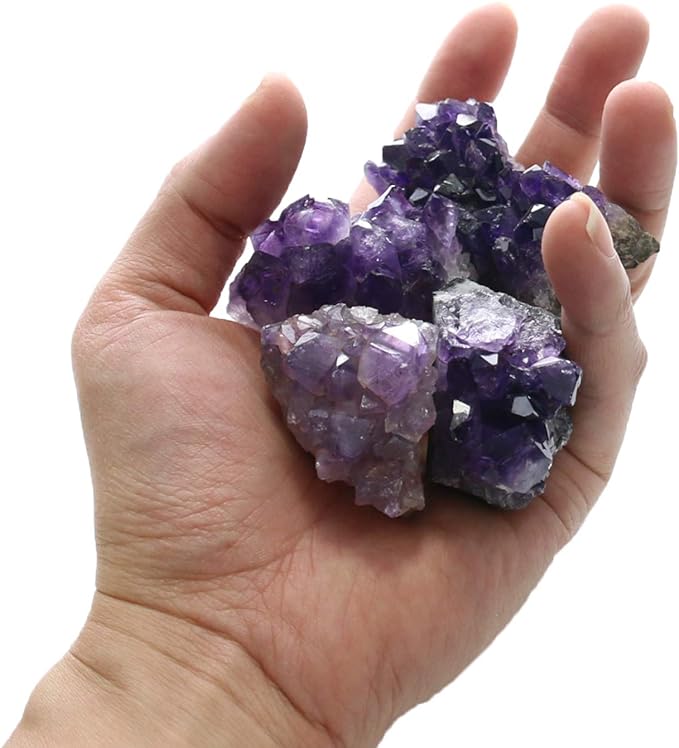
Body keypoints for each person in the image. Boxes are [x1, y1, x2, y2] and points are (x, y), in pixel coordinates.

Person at [6, 4, 676, 747]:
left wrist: (185, 658)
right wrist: (194, 638)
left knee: (581, 261)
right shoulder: (356, 324)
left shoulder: (441, 302)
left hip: (463, 371)